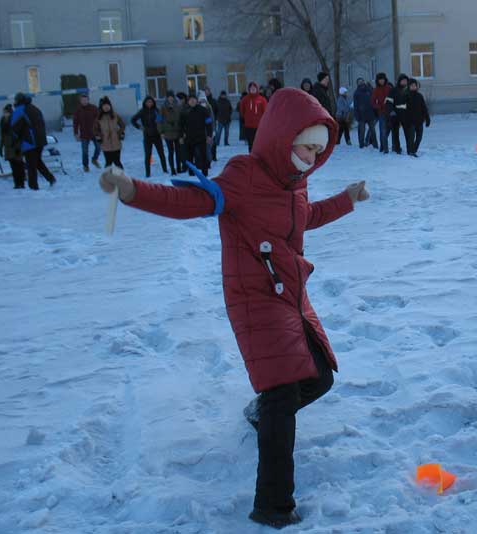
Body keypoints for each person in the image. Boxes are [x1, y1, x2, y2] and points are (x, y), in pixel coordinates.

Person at [98, 87, 369, 530]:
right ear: (283, 136)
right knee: (283, 392)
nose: (313, 156)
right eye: (307, 145)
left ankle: (261, 412)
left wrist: (347, 199)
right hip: (252, 296)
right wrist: (131, 191)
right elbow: (193, 201)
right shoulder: (244, 175)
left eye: (320, 150)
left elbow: (305, 218)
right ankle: (273, 506)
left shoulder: (296, 182)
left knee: (319, 377)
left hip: (289, 292)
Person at [11, 93, 57, 189]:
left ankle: (33, 186)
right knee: (37, 162)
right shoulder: (35, 108)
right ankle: (50, 178)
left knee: (31, 165)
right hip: (40, 140)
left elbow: (15, 128)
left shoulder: (19, 110)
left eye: (15, 100)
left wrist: (15, 140)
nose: (14, 102)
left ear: (19, 101)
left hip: (29, 141)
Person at [132, 95, 168, 178]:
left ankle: (165, 169)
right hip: (147, 136)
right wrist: (140, 127)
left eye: (151, 102)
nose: (149, 103)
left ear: (153, 103)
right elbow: (133, 120)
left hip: (157, 135)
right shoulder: (142, 111)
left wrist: (162, 131)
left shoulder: (156, 110)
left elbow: (162, 120)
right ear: (145, 103)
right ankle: (148, 173)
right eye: (148, 102)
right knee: (148, 155)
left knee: (161, 153)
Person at [179, 93, 213, 176]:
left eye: (194, 99)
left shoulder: (203, 110)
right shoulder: (184, 111)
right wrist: (181, 136)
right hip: (189, 137)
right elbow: (180, 125)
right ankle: (191, 173)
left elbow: (209, 123)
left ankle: (205, 173)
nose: (192, 101)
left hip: (201, 136)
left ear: (197, 101)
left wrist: (209, 135)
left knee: (203, 155)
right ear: (188, 101)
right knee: (189, 156)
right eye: (190, 100)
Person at [93, 96, 125, 169]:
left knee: (117, 162)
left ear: (110, 106)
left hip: (116, 142)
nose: (106, 107)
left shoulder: (115, 115)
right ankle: (107, 178)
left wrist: (119, 133)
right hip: (105, 143)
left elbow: (122, 125)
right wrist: (100, 136)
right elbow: (95, 129)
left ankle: (121, 177)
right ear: (102, 107)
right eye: (104, 106)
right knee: (108, 162)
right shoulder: (99, 117)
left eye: (108, 105)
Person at [0, 104, 26, 189]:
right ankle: (18, 183)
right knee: (14, 164)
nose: (5, 113)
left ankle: (20, 182)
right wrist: (1, 146)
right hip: (10, 145)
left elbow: (21, 132)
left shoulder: (15, 119)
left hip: (15, 144)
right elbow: (2, 134)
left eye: (6, 112)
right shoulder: (3, 120)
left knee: (18, 164)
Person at [73, 93, 101, 172]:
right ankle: (85, 166)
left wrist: (100, 131)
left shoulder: (94, 108)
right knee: (85, 151)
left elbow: (99, 120)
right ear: (80, 101)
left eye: (86, 100)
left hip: (95, 133)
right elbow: (75, 122)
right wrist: (76, 133)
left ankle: (94, 159)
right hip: (84, 134)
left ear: (88, 100)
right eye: (83, 100)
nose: (84, 101)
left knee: (98, 147)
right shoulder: (78, 110)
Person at [159, 90, 183, 175]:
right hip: (168, 132)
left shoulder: (179, 105)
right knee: (170, 151)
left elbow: (181, 118)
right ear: (167, 97)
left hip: (177, 131)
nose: (170, 98)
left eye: (172, 97)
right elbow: (159, 120)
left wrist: (182, 130)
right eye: (169, 97)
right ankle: (172, 168)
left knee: (178, 151)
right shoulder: (163, 107)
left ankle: (179, 167)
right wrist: (161, 132)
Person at [239, 83, 268, 153]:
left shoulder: (262, 99)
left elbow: (266, 112)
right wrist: (244, 119)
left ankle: (259, 157)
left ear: (256, 89)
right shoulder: (245, 99)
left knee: (259, 143)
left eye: (254, 88)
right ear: (249, 89)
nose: (253, 89)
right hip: (249, 126)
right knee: (251, 144)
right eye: (251, 88)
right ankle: (252, 157)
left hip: (259, 126)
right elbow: (242, 110)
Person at [385, 73, 410, 154]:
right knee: (395, 134)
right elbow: (388, 102)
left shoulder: (408, 90)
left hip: (406, 115)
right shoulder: (393, 90)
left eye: (406, 81)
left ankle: (410, 149)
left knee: (408, 133)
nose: (404, 82)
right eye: (403, 80)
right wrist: (391, 111)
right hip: (395, 114)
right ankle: (397, 148)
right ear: (399, 81)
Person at [405, 78, 430, 157]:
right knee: (411, 137)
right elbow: (402, 109)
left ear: (417, 86)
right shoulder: (406, 96)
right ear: (409, 86)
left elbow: (424, 108)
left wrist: (427, 118)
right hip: (410, 121)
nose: (413, 87)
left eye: (414, 85)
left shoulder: (419, 96)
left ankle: (414, 150)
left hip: (419, 121)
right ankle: (411, 151)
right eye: (411, 86)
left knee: (419, 138)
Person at [353, 78, 377, 149]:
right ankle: (361, 145)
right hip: (361, 115)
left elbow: (374, 98)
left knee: (372, 130)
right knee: (362, 131)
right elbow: (355, 105)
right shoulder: (356, 93)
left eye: (362, 81)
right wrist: (357, 115)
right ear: (357, 83)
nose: (361, 83)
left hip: (370, 114)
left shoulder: (369, 90)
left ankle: (375, 144)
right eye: (359, 82)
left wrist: (375, 112)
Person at [371, 73, 391, 154]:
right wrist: (379, 107)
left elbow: (392, 99)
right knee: (382, 130)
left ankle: (382, 146)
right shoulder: (376, 90)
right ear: (377, 81)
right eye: (380, 79)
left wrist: (390, 106)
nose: (381, 81)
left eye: (383, 79)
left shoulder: (389, 88)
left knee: (388, 130)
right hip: (381, 113)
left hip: (389, 112)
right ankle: (385, 149)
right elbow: (372, 102)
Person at [199, 95, 216, 164]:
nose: (203, 102)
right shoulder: (198, 109)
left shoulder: (209, 108)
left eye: (204, 101)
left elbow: (212, 120)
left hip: (208, 131)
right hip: (200, 132)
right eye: (201, 101)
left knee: (208, 147)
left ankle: (209, 161)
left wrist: (213, 130)